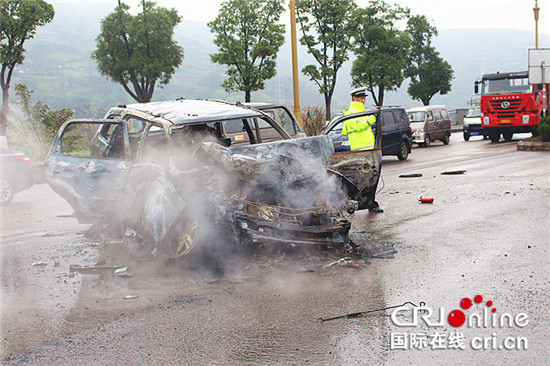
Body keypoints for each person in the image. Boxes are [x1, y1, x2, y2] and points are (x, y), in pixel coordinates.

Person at [342, 87, 383, 213]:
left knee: (369, 178)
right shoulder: (354, 111)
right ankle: (366, 203)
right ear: (354, 98)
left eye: (364, 98)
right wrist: (372, 117)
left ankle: (369, 202)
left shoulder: (360, 110)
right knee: (367, 179)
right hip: (361, 150)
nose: (363, 100)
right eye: (360, 98)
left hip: (366, 149)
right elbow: (358, 126)